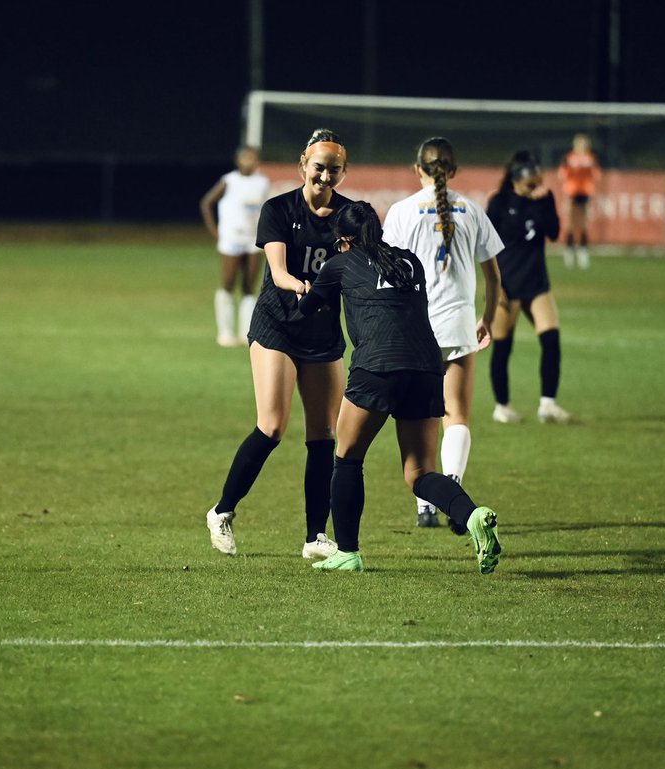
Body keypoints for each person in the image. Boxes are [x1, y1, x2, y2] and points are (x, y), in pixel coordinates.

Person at [297, 201, 501, 574]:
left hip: (377, 366)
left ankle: (348, 552)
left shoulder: (339, 264)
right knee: (420, 473)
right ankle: (472, 515)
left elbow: (305, 310)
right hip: (426, 368)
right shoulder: (409, 261)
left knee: (346, 457)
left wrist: (304, 292)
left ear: (343, 240)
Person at [205, 130, 351, 560]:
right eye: (318, 166)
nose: (325, 175)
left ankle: (314, 538)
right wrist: (310, 288)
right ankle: (222, 511)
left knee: (325, 435)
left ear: (345, 171)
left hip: (323, 334)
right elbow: (280, 271)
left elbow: (363, 267)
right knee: (272, 426)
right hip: (278, 326)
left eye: (334, 168)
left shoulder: (351, 216)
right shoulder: (278, 209)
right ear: (303, 164)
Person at [383, 137, 503, 531]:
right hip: (458, 325)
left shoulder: (401, 212)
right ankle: (453, 486)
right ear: (453, 171)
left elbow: (390, 275)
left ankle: (425, 506)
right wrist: (486, 316)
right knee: (458, 415)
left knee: (421, 417)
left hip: (416, 329)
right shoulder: (472, 209)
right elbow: (493, 275)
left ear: (417, 168)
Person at [486, 151, 572, 425]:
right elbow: (486, 246)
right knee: (502, 347)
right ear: (515, 181)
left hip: (536, 282)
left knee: (551, 340)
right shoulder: (499, 203)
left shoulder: (543, 200)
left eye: (537, 183)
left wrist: (542, 204)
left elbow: (555, 232)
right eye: (529, 185)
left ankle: (547, 404)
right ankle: (502, 406)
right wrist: (495, 286)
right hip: (507, 285)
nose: (534, 188)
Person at [199, 145, 272, 347]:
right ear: (237, 160)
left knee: (249, 286)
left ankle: (246, 332)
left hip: (253, 239)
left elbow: (267, 209)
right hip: (231, 238)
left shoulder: (262, 182)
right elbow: (206, 203)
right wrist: (216, 233)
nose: (248, 161)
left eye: (252, 157)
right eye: (245, 157)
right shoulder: (229, 180)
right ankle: (224, 332)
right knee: (228, 282)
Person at [557, 133, 601, 269]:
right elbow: (563, 174)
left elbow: (595, 174)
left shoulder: (589, 157)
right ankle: (569, 253)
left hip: (584, 192)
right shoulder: (570, 157)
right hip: (572, 192)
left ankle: (582, 253)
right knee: (570, 223)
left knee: (583, 223)